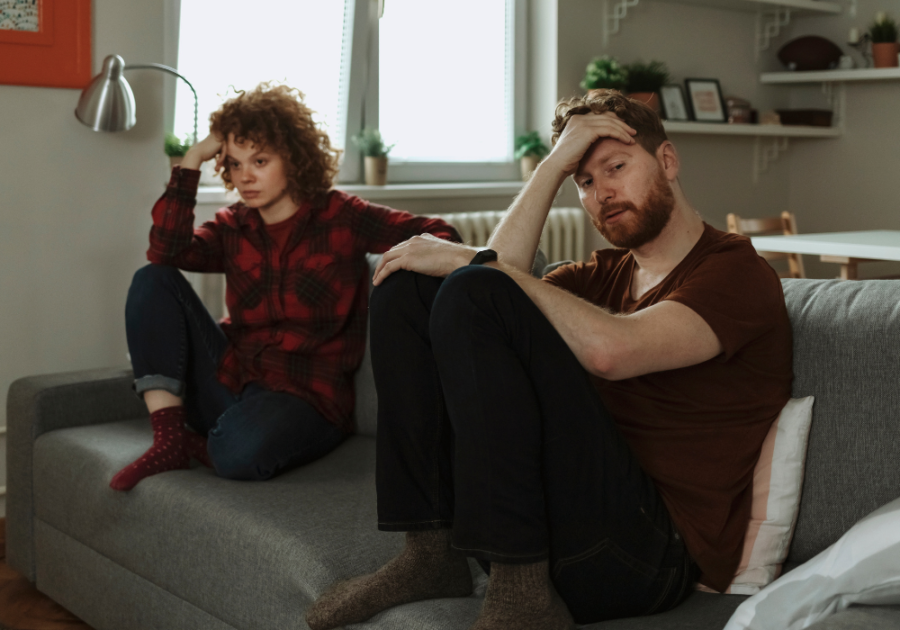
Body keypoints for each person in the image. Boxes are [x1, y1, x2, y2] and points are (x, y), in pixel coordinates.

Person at [304, 89, 793, 629]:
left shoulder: (736, 270)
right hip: (554, 531)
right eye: (583, 181)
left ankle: (521, 595)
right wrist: (552, 166)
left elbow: (612, 350)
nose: (602, 192)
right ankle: (431, 555)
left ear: (668, 162)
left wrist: (479, 266)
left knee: (478, 287)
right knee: (407, 288)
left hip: (645, 558)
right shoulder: (597, 276)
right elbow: (489, 282)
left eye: (616, 167)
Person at [111, 83, 459, 492]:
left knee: (237, 453)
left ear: (293, 158)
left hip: (308, 399)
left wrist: (401, 271)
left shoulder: (342, 216)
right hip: (235, 380)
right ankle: (171, 441)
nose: (245, 177)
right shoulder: (231, 226)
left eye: (260, 160)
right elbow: (164, 253)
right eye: (235, 164)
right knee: (153, 278)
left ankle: (211, 441)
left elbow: (440, 234)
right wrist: (191, 160)